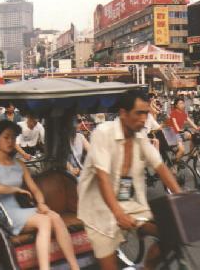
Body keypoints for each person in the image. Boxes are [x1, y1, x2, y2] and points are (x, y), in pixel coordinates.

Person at [77, 90, 181, 270]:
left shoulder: (140, 136)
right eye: (139, 113)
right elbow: (102, 178)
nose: (143, 119)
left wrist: (182, 198)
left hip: (128, 203)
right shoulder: (103, 133)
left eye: (146, 113)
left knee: (174, 233)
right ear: (123, 114)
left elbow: (160, 166)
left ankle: (146, 267)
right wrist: (118, 214)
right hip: (98, 209)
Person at [0, 120, 79, 270]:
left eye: (13, 138)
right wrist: (16, 190)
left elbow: (34, 189)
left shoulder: (19, 164)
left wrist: (41, 203)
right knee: (45, 221)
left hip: (21, 210)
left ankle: (74, 266)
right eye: (6, 137)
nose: (11, 141)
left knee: (56, 217)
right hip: (4, 212)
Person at [168, 97, 200, 163]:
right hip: (173, 134)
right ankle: (174, 164)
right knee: (182, 151)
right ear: (176, 105)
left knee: (192, 136)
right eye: (180, 103)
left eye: (183, 103)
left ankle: (191, 153)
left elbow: (190, 121)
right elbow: (174, 122)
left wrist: (196, 127)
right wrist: (178, 129)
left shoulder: (183, 113)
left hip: (179, 133)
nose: (182, 105)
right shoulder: (173, 113)